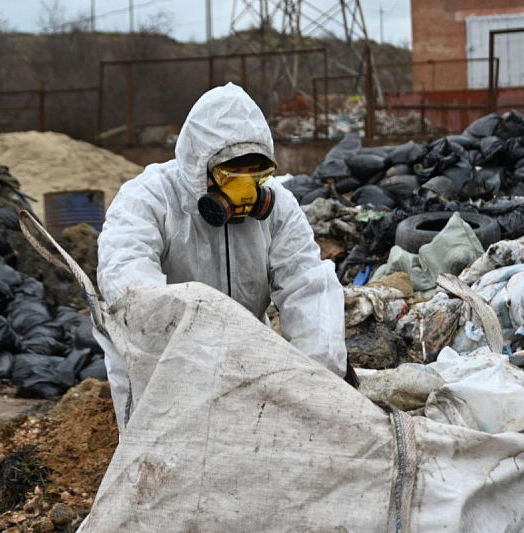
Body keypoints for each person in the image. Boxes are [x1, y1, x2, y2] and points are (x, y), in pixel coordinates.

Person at [95, 83, 348, 431]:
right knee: (164, 452)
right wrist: (192, 355)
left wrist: (319, 380)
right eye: (229, 176)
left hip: (246, 361)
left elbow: (308, 287)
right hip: (159, 362)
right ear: (199, 166)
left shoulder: (278, 209)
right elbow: (130, 287)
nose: (244, 193)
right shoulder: (148, 199)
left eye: (255, 175)